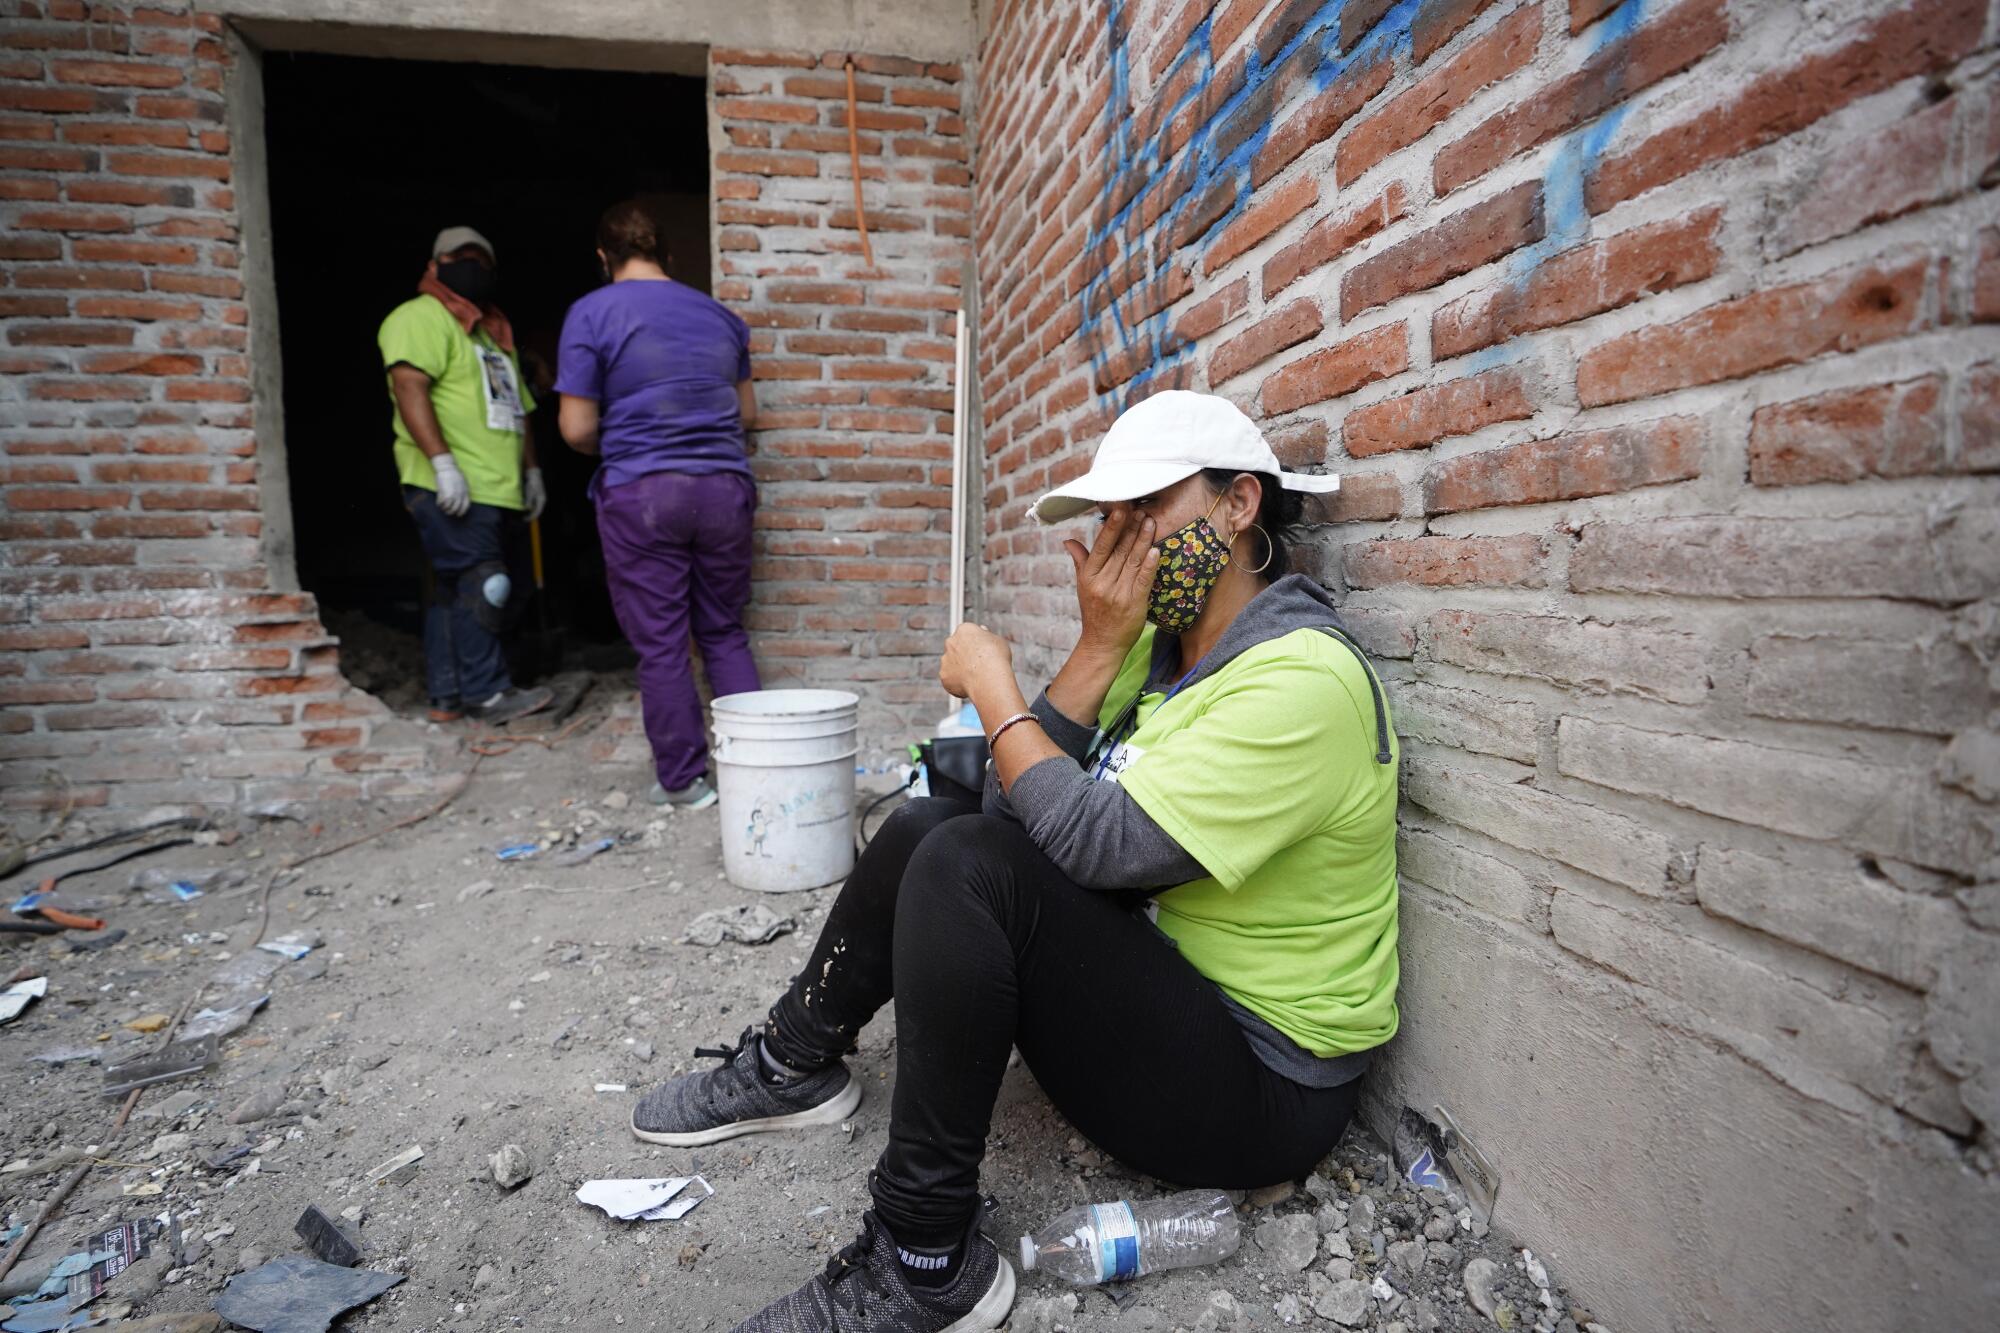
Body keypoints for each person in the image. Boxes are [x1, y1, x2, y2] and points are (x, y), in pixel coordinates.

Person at [629, 391, 1402, 1333]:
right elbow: (1012, 811)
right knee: (929, 827)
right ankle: (794, 1062)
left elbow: (1089, 842)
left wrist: (995, 689)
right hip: (1166, 986)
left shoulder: (1301, 679)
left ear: (1240, 506)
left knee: (964, 860)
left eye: (1147, 508)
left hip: (1261, 1084)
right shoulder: (1157, 650)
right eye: (1109, 517)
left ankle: (925, 1256)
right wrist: (1098, 643)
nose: (1121, 541)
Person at [556, 200, 761, 810]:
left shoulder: (591, 313)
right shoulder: (721, 317)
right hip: (724, 488)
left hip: (643, 493)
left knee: (664, 643)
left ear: (604, 257)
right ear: (665, 254)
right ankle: (758, 767)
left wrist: (625, 433)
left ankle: (684, 781)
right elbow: (748, 415)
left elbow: (574, 428)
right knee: (723, 630)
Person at [377, 225, 553, 726]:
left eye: (482, 261)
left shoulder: (493, 334)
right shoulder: (419, 318)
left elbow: (518, 407)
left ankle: (447, 695)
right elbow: (410, 389)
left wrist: (532, 471)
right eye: (460, 258)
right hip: (451, 482)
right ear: (434, 266)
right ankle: (488, 693)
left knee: (461, 589)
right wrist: (442, 463)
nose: (472, 268)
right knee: (487, 582)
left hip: (500, 486)